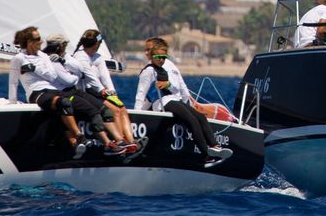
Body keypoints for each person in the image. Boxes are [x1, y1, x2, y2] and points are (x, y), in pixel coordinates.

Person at [134, 37, 232, 167]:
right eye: (159, 57)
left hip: (173, 100)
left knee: (200, 117)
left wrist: (170, 86)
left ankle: (215, 146)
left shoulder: (163, 69)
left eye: (164, 57)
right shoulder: (148, 71)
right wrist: (137, 116)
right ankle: (206, 156)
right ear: (152, 55)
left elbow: (177, 89)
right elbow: (140, 95)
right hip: (161, 104)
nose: (162, 60)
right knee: (191, 120)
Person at [8, 26, 87, 156]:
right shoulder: (19, 58)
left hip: (52, 90)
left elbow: (52, 76)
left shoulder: (44, 56)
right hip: (36, 92)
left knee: (74, 103)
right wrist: (12, 103)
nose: (41, 41)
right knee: (63, 103)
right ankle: (79, 136)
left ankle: (74, 144)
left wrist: (34, 68)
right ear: (29, 42)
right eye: (38, 39)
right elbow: (13, 82)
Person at [66, 28, 140, 155]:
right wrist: (102, 90)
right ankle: (120, 141)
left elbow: (105, 75)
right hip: (88, 91)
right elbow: (91, 77)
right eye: (99, 43)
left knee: (121, 108)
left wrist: (112, 91)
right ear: (96, 43)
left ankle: (131, 141)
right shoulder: (80, 57)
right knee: (115, 110)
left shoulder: (98, 57)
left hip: (100, 91)